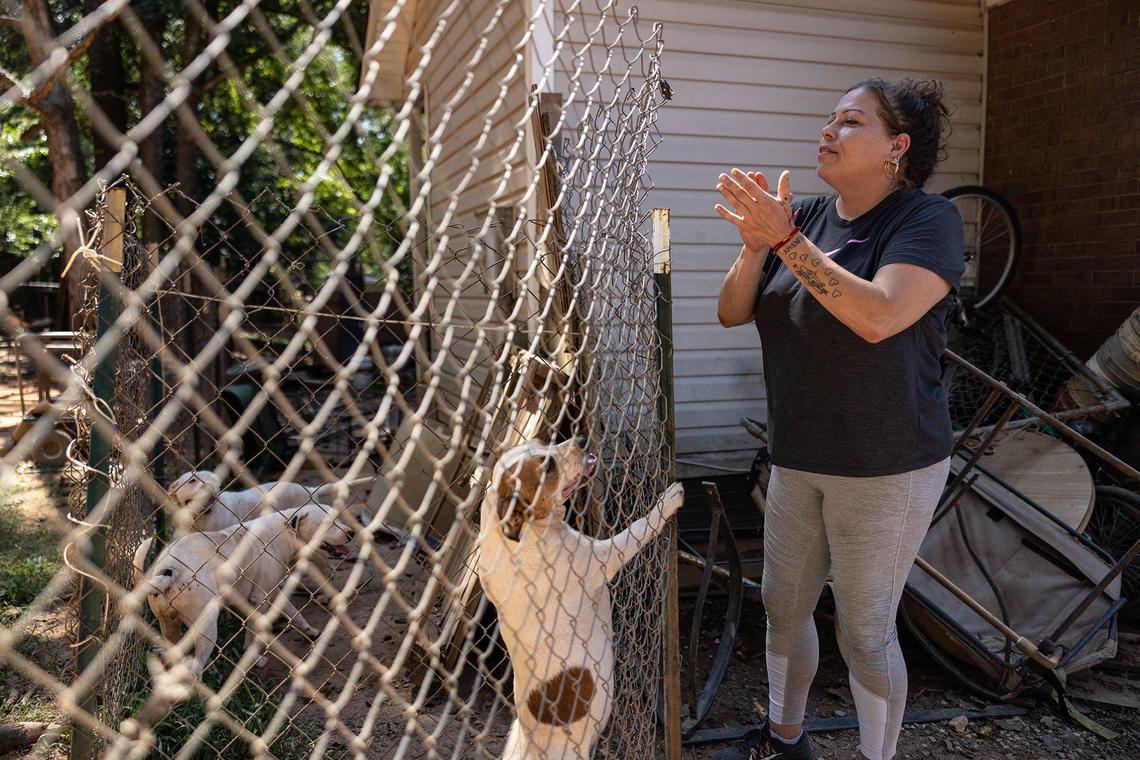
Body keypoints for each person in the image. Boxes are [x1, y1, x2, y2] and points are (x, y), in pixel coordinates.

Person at [711, 79, 964, 760]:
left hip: (887, 463)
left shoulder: (926, 220)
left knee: (864, 628)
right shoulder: (810, 216)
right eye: (829, 118)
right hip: (799, 455)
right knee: (784, 606)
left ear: (896, 147)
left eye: (851, 121)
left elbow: (879, 316)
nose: (829, 130)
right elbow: (733, 311)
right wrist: (756, 245)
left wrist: (784, 237)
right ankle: (785, 741)